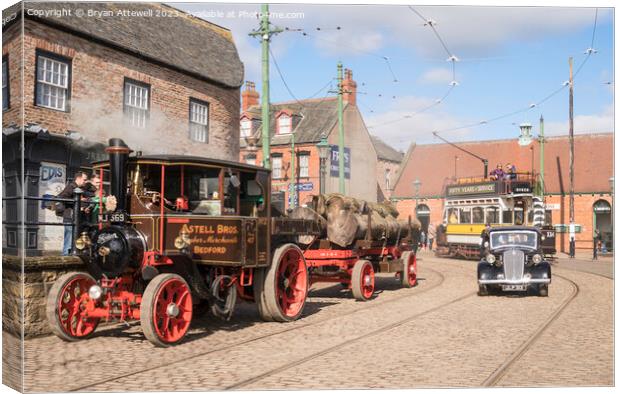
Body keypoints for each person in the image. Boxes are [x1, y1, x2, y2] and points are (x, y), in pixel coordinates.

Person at [56, 171, 88, 255]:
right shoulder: (71, 187)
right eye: (84, 180)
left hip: (75, 217)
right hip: (69, 217)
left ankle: (70, 255)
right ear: (78, 178)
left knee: (73, 238)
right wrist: (77, 201)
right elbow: (61, 197)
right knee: (69, 238)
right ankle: (65, 256)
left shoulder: (80, 188)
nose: (85, 182)